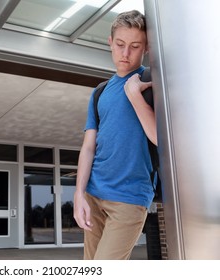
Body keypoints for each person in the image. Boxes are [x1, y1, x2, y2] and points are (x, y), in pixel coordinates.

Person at [73, 10, 157, 260]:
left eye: (135, 46)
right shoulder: (99, 92)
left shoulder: (152, 81)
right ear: (110, 42)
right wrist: (79, 194)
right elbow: (88, 147)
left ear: (146, 47)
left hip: (130, 198)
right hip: (93, 194)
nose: (125, 53)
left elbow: (163, 142)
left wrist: (135, 96)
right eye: (120, 45)